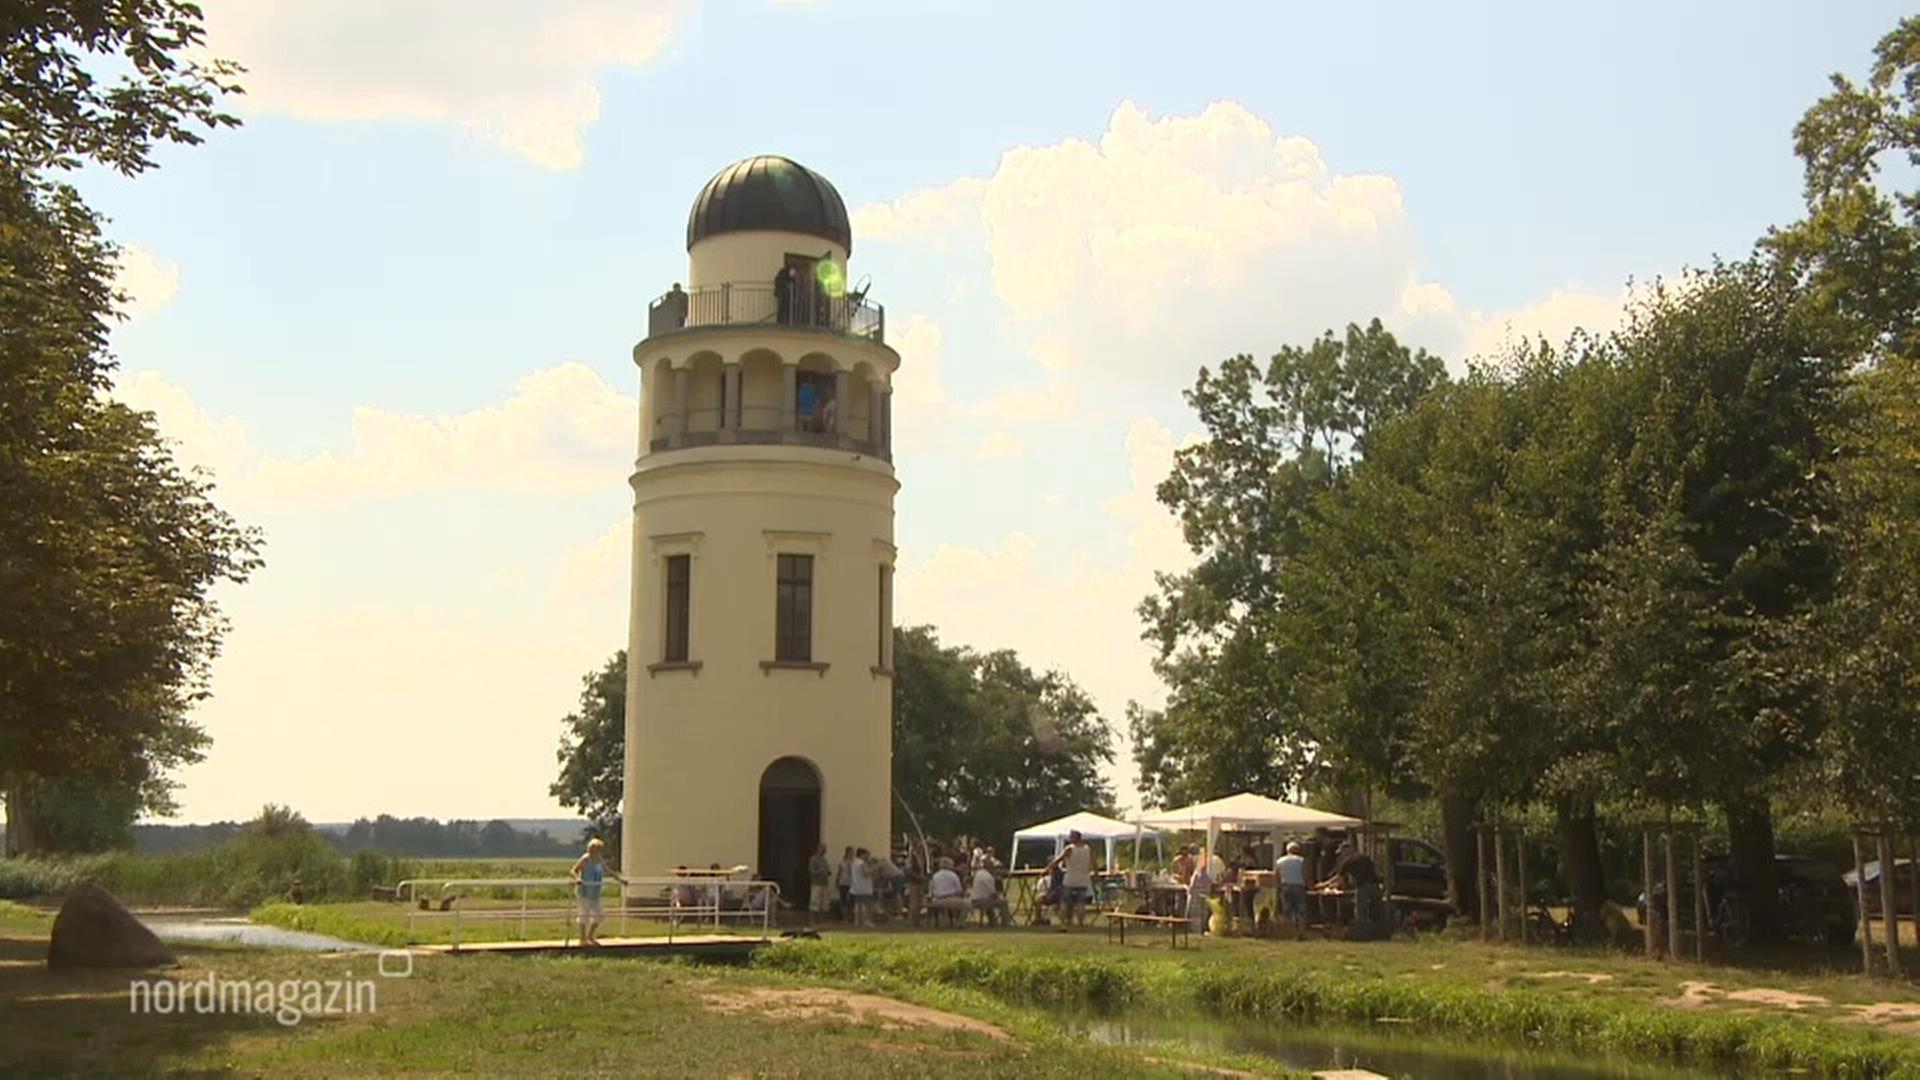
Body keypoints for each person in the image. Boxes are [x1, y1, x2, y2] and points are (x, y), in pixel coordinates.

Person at [1317, 838, 1384, 940]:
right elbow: (1376, 870)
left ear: (1348, 849)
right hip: (1375, 886)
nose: (1342, 855)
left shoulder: (1348, 861)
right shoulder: (1365, 857)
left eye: (1342, 852)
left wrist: (1323, 884)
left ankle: (1362, 933)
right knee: (1377, 909)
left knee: (1361, 910)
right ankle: (1380, 932)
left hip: (1362, 886)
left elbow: (1338, 877)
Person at [569, 838, 625, 947]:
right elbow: (573, 870)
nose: (595, 851)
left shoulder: (599, 859)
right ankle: (582, 938)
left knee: (600, 915)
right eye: (593, 848)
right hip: (584, 892)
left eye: (597, 849)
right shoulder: (585, 859)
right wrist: (578, 879)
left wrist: (620, 880)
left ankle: (590, 936)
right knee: (584, 914)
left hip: (595, 892)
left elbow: (608, 870)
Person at [1047, 829, 1095, 931]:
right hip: (1083, 880)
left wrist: (1049, 866)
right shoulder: (1087, 848)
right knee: (1081, 903)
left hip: (1070, 879)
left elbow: (1058, 860)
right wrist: (1095, 873)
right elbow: (1093, 862)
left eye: (1071, 836)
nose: (1069, 838)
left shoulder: (1069, 849)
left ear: (1075, 838)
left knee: (1064, 902)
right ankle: (1081, 925)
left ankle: (1063, 925)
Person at [1275, 840, 1309, 941]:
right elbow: (1305, 874)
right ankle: (1301, 932)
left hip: (1285, 886)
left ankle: (1290, 932)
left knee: (1288, 910)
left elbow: (1276, 876)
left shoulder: (1279, 861)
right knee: (1301, 910)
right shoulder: (1302, 860)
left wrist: (1278, 888)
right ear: (1298, 850)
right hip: (1299, 886)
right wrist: (1309, 885)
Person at [928, 857, 968, 925]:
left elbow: (930, 891)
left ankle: (941, 922)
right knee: (967, 905)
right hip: (950, 899)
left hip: (936, 900)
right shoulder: (953, 875)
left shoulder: (935, 876)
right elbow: (959, 890)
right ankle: (959, 922)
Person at [970, 862, 1011, 927]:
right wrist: (999, 894)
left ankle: (993, 922)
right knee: (1003, 902)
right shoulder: (988, 877)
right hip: (982, 901)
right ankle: (1006, 923)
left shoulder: (978, 873)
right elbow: (993, 893)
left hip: (973, 900)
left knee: (991, 901)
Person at [1187, 850, 1215, 935]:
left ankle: (1196, 930)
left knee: (1198, 914)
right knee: (1200, 914)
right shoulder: (1203, 874)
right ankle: (1198, 930)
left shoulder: (1198, 874)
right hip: (1201, 896)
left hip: (1198, 897)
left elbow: (1191, 887)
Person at [848, 847, 877, 926]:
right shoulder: (862, 863)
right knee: (866, 904)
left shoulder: (854, 862)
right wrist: (873, 868)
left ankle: (857, 921)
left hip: (856, 886)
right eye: (867, 855)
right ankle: (866, 920)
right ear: (862, 854)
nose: (868, 857)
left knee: (858, 904)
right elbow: (865, 873)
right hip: (864, 887)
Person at [807, 843, 833, 926]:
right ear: (818, 849)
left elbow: (827, 870)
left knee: (824, 904)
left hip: (825, 883)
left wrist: (828, 872)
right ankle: (812, 921)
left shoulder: (824, 860)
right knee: (814, 903)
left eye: (825, 849)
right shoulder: (813, 859)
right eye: (823, 849)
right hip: (816, 884)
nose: (824, 851)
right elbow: (811, 871)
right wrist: (820, 870)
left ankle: (821, 921)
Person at [836, 846, 855, 920]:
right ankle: (845, 917)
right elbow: (839, 872)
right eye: (851, 852)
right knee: (843, 899)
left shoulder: (854, 862)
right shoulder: (842, 862)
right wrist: (837, 881)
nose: (852, 854)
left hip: (851, 883)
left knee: (851, 900)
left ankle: (851, 916)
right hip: (843, 882)